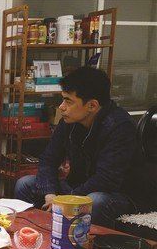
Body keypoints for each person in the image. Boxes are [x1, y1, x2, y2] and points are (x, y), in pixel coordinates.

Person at [14, 66, 142, 228]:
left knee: (95, 201)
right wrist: (50, 193)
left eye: (68, 101)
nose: (61, 107)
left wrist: (66, 200)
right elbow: (48, 159)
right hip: (76, 188)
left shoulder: (120, 127)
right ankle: (31, 234)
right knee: (25, 184)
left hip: (116, 195)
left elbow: (106, 180)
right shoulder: (70, 120)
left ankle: (78, 242)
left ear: (92, 105)